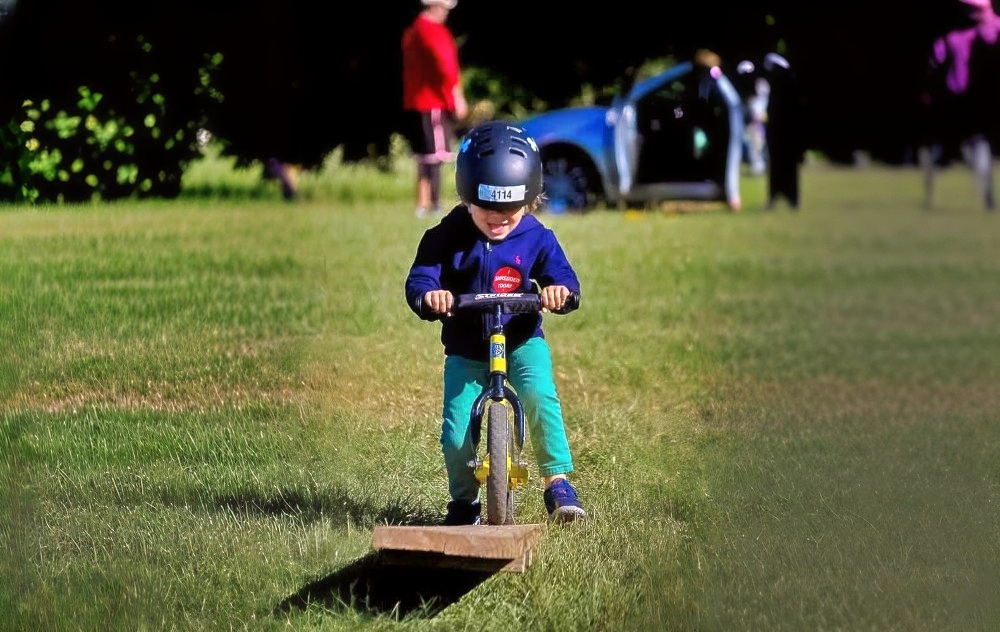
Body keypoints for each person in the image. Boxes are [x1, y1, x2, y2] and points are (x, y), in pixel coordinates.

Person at [404, 122, 586, 525]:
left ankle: (557, 482)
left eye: (510, 210)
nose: (499, 219)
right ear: (468, 197)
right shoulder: (446, 235)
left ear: (530, 199)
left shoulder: (537, 236)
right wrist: (429, 296)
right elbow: (420, 278)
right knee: (456, 433)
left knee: (540, 397)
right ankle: (464, 502)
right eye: (489, 209)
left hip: (521, 340)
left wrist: (559, 292)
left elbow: (564, 280)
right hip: (467, 351)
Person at [919, 0, 1000, 211]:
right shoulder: (953, 37)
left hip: (973, 103)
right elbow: (934, 66)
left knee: (976, 146)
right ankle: (930, 197)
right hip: (955, 103)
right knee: (945, 149)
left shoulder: (988, 31)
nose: (976, 13)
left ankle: (985, 195)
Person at [401, 0, 468, 219]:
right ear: (435, 7)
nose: (446, 14)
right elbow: (445, 66)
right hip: (435, 102)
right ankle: (434, 204)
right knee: (436, 155)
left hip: (418, 102)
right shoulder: (434, 32)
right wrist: (456, 96)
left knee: (424, 155)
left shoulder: (413, 32)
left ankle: (423, 202)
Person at [761, 52, 806, 210]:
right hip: (778, 133)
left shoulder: (787, 83)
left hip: (786, 132)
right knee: (777, 166)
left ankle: (790, 198)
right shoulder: (782, 82)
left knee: (786, 166)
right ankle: (777, 196)